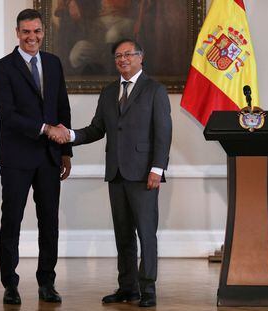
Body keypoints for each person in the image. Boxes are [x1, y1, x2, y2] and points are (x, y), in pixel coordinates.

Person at [52, 38, 172, 307]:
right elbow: (97, 129)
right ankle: (127, 288)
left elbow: (163, 132)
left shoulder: (155, 90)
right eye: (118, 56)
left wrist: (157, 168)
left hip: (144, 174)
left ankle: (148, 289)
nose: (123, 60)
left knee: (146, 233)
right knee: (123, 234)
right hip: (116, 173)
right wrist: (69, 135)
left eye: (128, 54)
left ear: (141, 57)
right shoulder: (108, 92)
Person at [0, 9, 72, 305]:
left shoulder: (53, 63)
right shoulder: (1, 68)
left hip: (50, 158)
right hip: (16, 157)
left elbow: (62, 107)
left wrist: (65, 151)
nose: (32, 37)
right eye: (26, 32)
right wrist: (44, 128)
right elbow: (7, 115)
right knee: (11, 220)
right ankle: (10, 285)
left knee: (49, 222)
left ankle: (46, 283)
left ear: (42, 32)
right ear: (17, 33)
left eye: (36, 31)